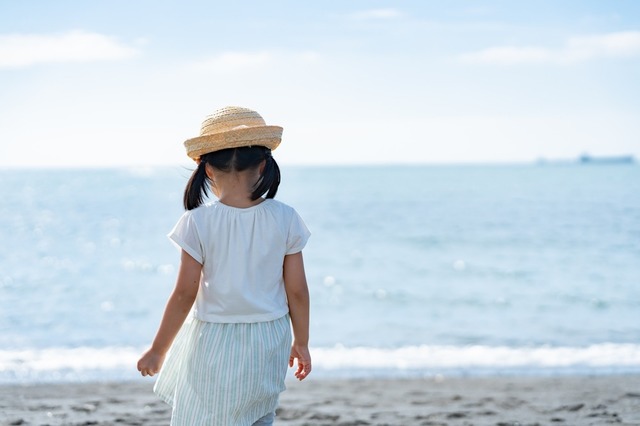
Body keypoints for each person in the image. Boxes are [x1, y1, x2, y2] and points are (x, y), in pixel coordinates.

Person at [137, 106, 312, 425]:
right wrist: (301, 342)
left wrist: (158, 350)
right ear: (263, 166)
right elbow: (297, 291)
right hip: (269, 337)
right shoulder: (286, 218)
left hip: (215, 339)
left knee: (204, 415)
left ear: (206, 169)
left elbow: (183, 295)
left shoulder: (197, 222)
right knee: (258, 414)